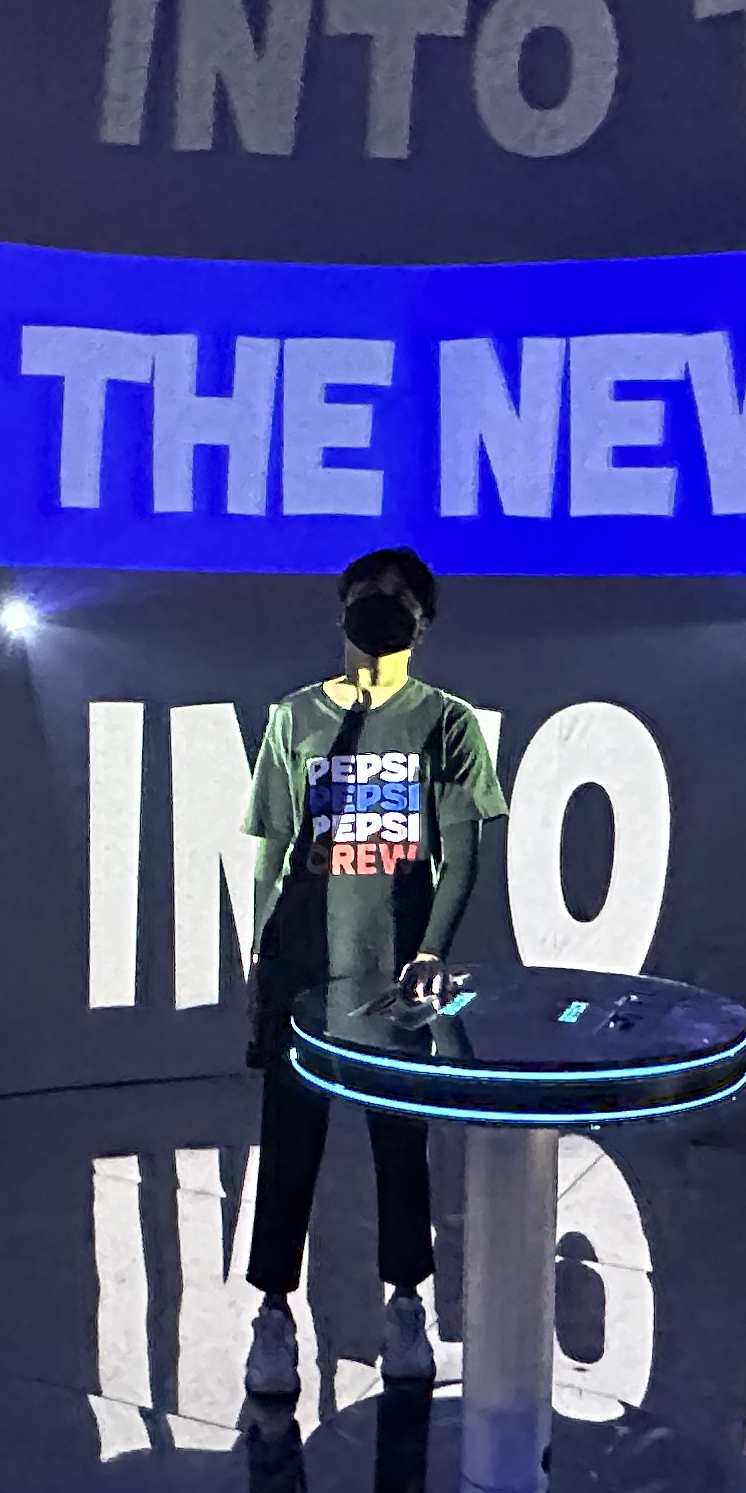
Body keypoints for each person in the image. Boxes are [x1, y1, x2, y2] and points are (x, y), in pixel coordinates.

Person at [237, 547, 506, 1401]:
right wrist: (258, 955)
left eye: (394, 602)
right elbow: (275, 848)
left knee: (401, 1144)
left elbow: (461, 854)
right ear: (340, 609)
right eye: (362, 598)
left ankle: (405, 1304)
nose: (376, 612)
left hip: (392, 965)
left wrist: (430, 949)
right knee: (288, 1144)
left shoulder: (447, 723)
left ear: (422, 621)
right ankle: (272, 1313)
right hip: (300, 957)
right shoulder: (292, 718)